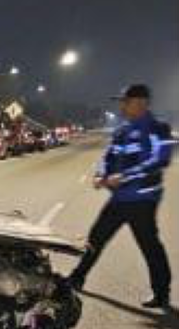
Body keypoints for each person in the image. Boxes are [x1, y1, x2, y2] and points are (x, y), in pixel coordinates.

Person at [68, 84, 174, 309]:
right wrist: (100, 174)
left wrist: (124, 176)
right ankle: (76, 279)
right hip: (119, 200)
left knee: (149, 246)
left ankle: (162, 293)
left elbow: (159, 161)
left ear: (141, 103)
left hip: (143, 200)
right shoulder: (122, 131)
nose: (122, 106)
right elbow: (107, 157)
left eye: (126, 102)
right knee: (95, 238)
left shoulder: (158, 129)